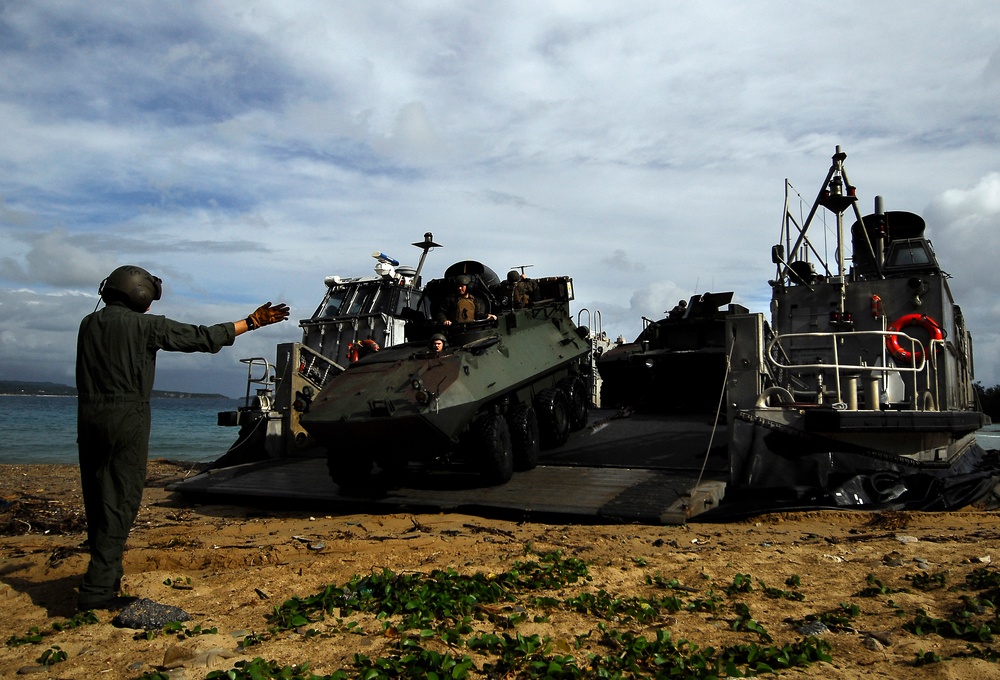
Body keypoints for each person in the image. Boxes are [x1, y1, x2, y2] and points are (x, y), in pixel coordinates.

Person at [75, 265, 289, 611]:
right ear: (140, 295)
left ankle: (105, 576)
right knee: (122, 500)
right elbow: (201, 338)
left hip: (88, 416)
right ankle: (98, 591)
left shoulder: (89, 324)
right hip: (126, 416)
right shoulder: (147, 325)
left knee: (98, 495)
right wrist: (251, 322)